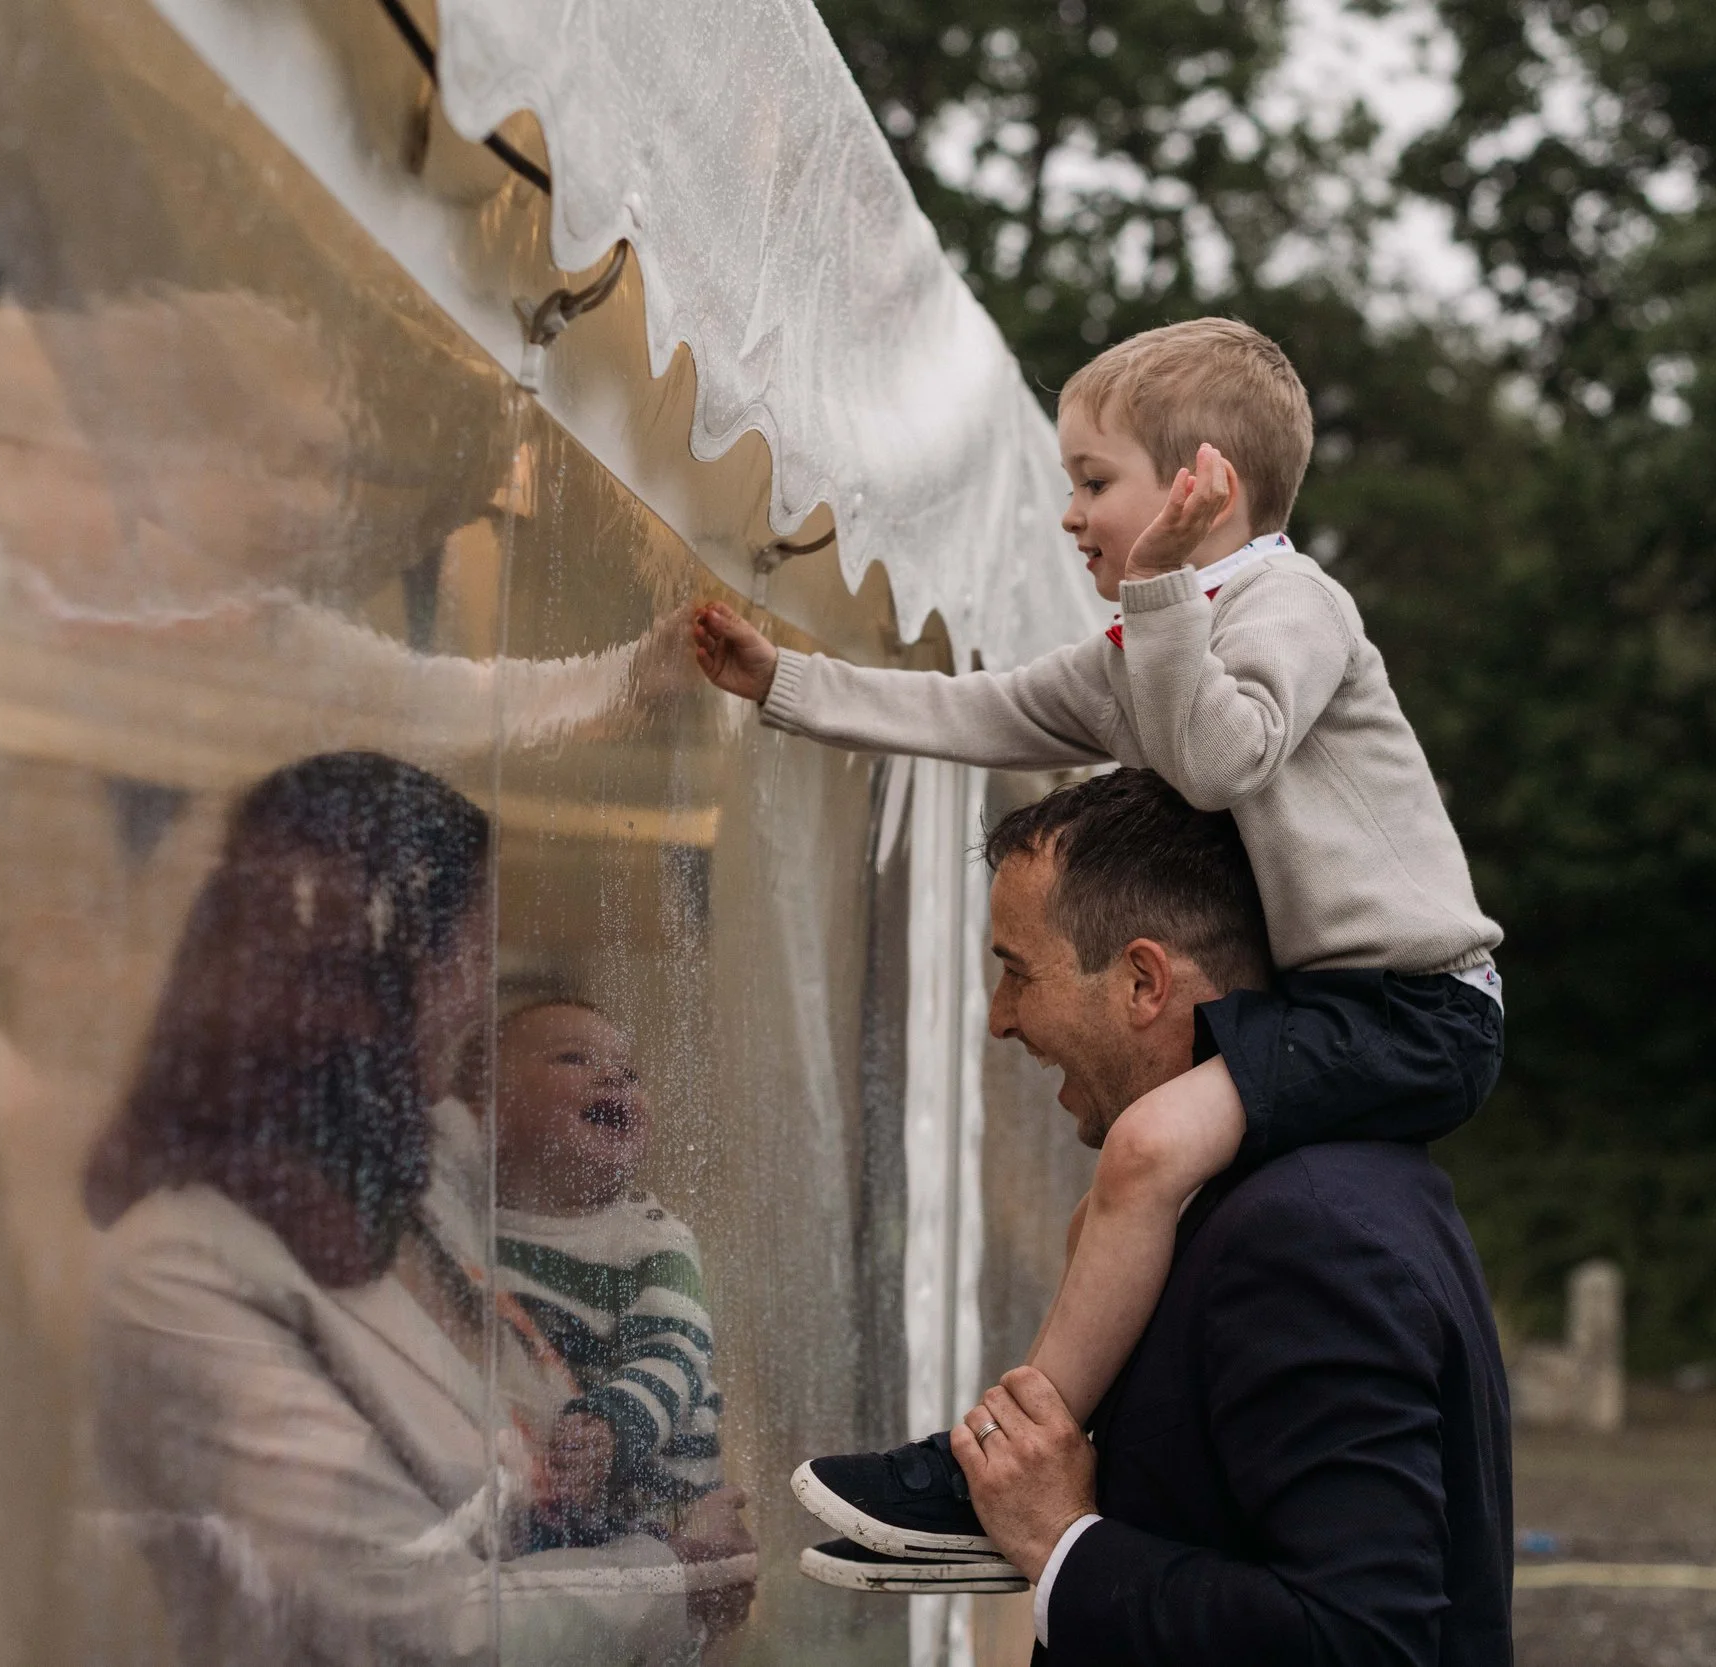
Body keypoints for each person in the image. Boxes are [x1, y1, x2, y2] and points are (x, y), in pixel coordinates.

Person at [690, 317, 1505, 1566]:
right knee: (1110, 1212)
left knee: (1143, 1149)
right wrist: (786, 684)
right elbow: (981, 709)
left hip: (1419, 1007)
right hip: (1328, 1000)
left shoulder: (1293, 604)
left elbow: (1222, 754)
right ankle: (1057, 1465)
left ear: (1200, 486)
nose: (1069, 515)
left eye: (1092, 480)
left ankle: (989, 1465)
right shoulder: (1148, 642)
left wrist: (1161, 591)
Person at [804, 770, 1514, 1663]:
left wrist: (1062, 1543)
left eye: (1017, 971)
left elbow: (1360, 1638)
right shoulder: (1286, 1192)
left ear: (1144, 980)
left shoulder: (1303, 1237)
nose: (1000, 1019)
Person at [83, 752, 713, 1666]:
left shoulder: (416, 1184)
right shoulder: (178, 1269)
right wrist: (673, 1583)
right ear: (370, 969)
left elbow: (530, 1136)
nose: (482, 994)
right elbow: (412, 1628)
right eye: (473, 952)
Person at [455, 978, 731, 1547]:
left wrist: (613, 1429)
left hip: (657, 1502)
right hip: (551, 1498)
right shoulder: (469, 1231)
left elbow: (675, 1354)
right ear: (489, 1114)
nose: (614, 1078)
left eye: (630, 1072)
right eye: (573, 1059)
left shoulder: (652, 1240)